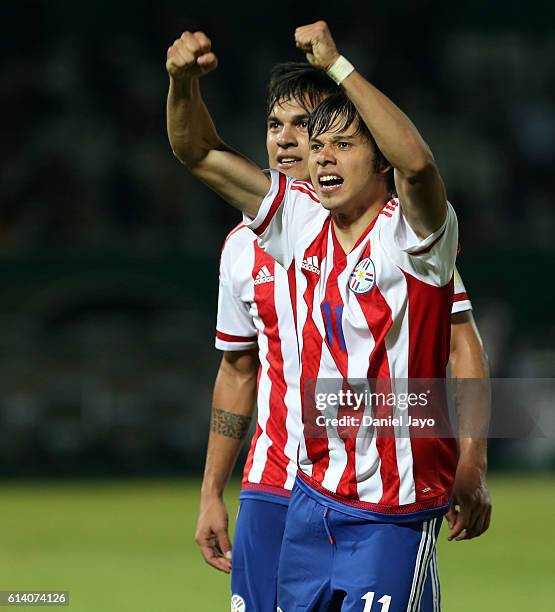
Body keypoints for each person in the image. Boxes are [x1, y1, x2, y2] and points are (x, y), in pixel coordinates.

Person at [167, 21, 491, 611]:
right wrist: (181, 84)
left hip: (391, 507)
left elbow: (418, 166)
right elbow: (199, 152)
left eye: (341, 144)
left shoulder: (415, 239)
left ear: (379, 159)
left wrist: (338, 65)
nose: (319, 157)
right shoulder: (291, 225)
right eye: (318, 147)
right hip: (302, 496)